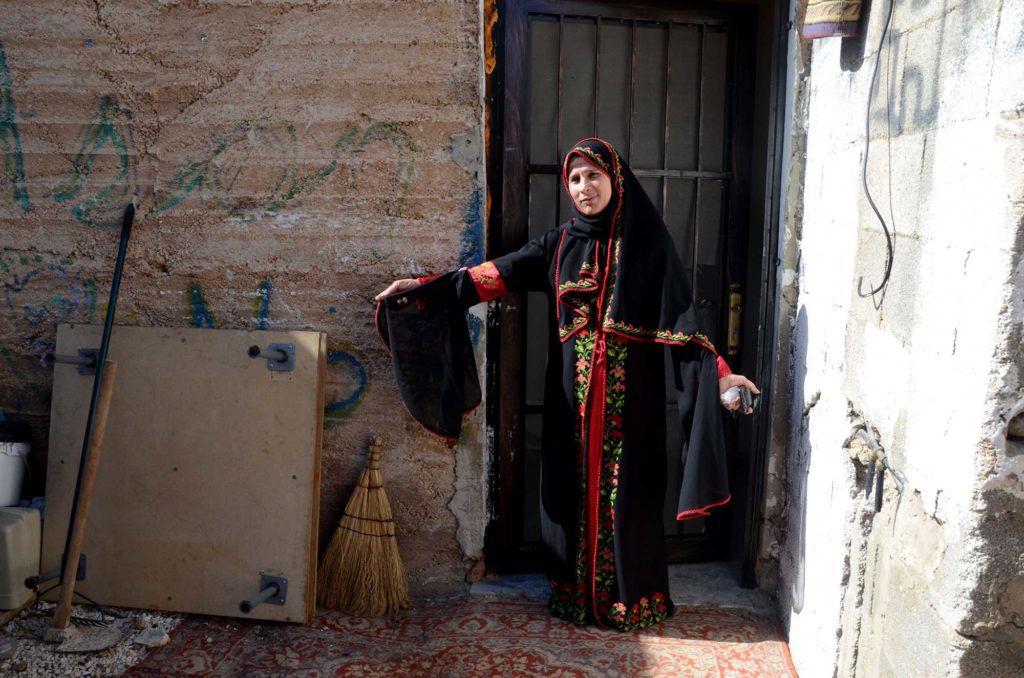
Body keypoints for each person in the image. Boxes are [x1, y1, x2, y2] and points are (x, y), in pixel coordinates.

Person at [376, 138, 758, 631]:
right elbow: (491, 277)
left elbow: (682, 324)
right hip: (569, 407)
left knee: (629, 497)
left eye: (593, 176)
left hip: (630, 411)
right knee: (567, 491)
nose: (583, 187)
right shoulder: (558, 246)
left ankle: (630, 599)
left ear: (615, 180)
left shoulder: (647, 246)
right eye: (574, 179)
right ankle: (576, 595)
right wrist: (422, 291)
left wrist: (723, 376)